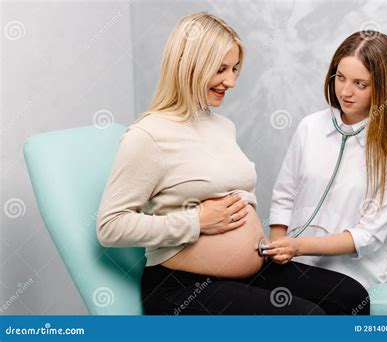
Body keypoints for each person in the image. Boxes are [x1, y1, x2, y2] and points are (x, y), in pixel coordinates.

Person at [96, 12, 368, 315]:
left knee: (352, 298)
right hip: (181, 287)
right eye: (221, 69)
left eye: (235, 69)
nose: (232, 81)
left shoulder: (222, 126)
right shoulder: (148, 135)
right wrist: (196, 221)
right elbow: (110, 227)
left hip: (250, 271)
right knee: (307, 318)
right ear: (189, 64)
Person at [261, 31, 387, 303]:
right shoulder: (310, 127)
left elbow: (368, 236)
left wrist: (298, 246)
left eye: (361, 84)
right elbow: (284, 196)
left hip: (354, 280)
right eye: (340, 78)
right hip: (295, 267)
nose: (345, 92)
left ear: (384, 88)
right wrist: (278, 252)